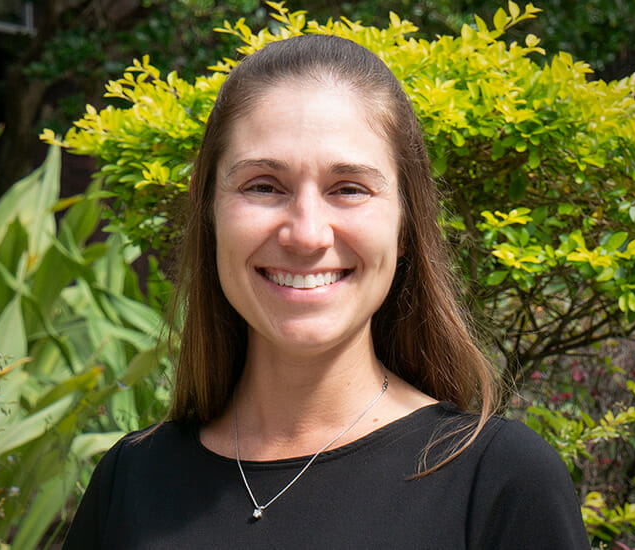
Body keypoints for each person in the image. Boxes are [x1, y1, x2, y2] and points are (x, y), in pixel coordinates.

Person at [62, 34, 590, 549]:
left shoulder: (499, 483)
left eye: (349, 189)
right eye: (264, 185)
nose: (307, 233)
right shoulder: (129, 485)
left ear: (406, 224)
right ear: (210, 214)